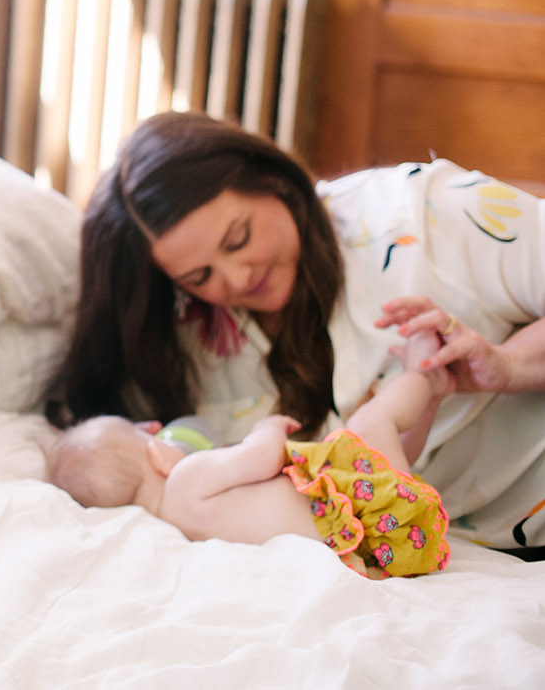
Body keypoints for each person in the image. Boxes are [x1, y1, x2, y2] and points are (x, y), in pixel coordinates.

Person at [42, 110, 545, 552]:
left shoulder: (423, 217)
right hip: (415, 533)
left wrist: (510, 365)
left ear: (271, 180)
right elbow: (103, 441)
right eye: (200, 278)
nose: (237, 279)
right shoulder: (193, 346)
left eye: (238, 238)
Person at [46, 364, 453, 578]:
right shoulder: (185, 479)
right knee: (371, 422)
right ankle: (429, 374)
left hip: (375, 546)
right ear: (157, 455)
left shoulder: (176, 526)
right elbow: (262, 458)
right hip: (375, 518)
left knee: (381, 456)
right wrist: (267, 427)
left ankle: (430, 396)